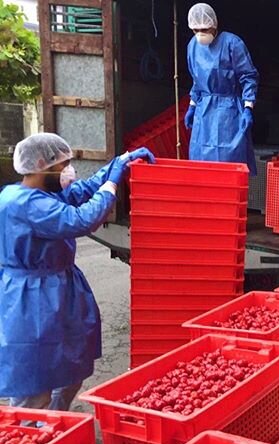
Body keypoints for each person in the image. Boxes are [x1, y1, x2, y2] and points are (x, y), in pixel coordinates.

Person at [0, 133, 155, 411]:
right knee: (34, 382)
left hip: (57, 289)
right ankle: (28, 436)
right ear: (39, 165)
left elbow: (80, 191)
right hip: (32, 298)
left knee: (69, 368)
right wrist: (110, 185)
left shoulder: (42, 193)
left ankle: (56, 423)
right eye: (63, 165)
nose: (67, 171)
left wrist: (119, 163)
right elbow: (81, 220)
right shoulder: (25, 204)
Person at [184, 3, 259, 175]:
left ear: (214, 25)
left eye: (205, 28)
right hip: (203, 114)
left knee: (229, 165)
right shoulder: (192, 47)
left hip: (229, 114)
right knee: (201, 165)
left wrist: (248, 107)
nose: (201, 33)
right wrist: (192, 105)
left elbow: (248, 76)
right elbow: (197, 80)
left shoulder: (232, 43)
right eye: (196, 30)